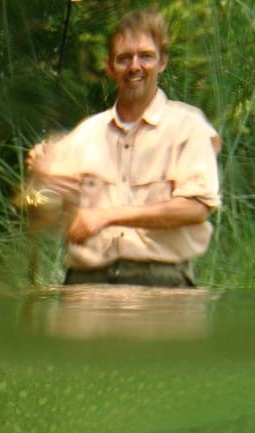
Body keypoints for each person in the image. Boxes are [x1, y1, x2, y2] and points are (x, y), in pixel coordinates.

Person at [26, 8, 221, 287]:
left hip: (163, 285)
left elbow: (195, 209)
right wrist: (40, 177)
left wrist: (105, 217)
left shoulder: (189, 128)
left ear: (162, 62)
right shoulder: (84, 135)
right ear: (109, 67)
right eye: (124, 58)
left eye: (146, 56)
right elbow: (42, 218)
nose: (135, 66)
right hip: (85, 287)